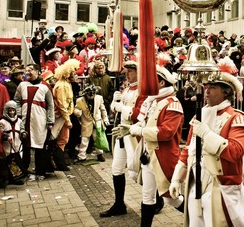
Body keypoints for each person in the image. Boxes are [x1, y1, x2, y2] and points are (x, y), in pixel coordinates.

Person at [169, 61, 244, 226]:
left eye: (213, 88)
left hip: (222, 188)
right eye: (206, 87)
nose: (206, 91)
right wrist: (176, 179)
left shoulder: (237, 118)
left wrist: (207, 134)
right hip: (195, 185)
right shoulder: (198, 116)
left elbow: (235, 152)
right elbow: (188, 151)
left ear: (226, 92)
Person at [118, 61, 184, 227]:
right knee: (147, 197)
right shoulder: (152, 101)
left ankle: (200, 217)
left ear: (161, 83)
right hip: (148, 156)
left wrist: (139, 131)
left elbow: (166, 133)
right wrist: (132, 127)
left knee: (171, 199)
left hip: (163, 158)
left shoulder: (173, 104)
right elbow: (143, 122)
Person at [100, 61, 146, 217]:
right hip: (121, 132)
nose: (128, 74)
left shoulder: (143, 91)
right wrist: (114, 103)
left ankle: (156, 197)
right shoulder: (127, 88)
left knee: (136, 171)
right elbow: (116, 111)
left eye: (131, 71)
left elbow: (139, 113)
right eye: (127, 71)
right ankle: (119, 204)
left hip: (133, 133)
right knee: (116, 168)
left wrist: (122, 108)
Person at [14, 64, 55, 181]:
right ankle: (25, 170)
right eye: (27, 70)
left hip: (40, 121)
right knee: (25, 146)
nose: (28, 72)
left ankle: (40, 171)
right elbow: (17, 100)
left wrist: (50, 120)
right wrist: (19, 114)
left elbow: (51, 105)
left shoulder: (45, 87)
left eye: (31, 70)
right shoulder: (22, 85)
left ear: (37, 71)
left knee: (40, 146)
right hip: (24, 120)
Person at [51, 59, 80, 171]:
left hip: (64, 116)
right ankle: (60, 163)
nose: (75, 74)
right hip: (61, 117)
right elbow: (62, 104)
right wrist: (67, 120)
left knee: (63, 139)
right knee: (62, 139)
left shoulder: (65, 84)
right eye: (73, 72)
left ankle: (60, 162)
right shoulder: (62, 86)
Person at [73, 84, 109, 163]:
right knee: (84, 140)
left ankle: (100, 154)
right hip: (86, 122)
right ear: (85, 93)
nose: (92, 95)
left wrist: (105, 119)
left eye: (93, 93)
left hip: (97, 122)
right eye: (89, 93)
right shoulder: (80, 100)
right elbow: (76, 108)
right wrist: (77, 112)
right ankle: (81, 156)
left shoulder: (99, 98)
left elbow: (103, 109)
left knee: (98, 138)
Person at [0, 100, 25, 185]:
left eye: (13, 110)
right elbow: (0, 133)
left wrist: (23, 133)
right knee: (5, 162)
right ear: (6, 111)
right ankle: (4, 179)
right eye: (10, 110)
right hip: (7, 146)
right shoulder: (2, 122)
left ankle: (15, 178)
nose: (12, 112)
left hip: (17, 145)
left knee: (15, 162)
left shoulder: (19, 121)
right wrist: (6, 137)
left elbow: (22, 129)